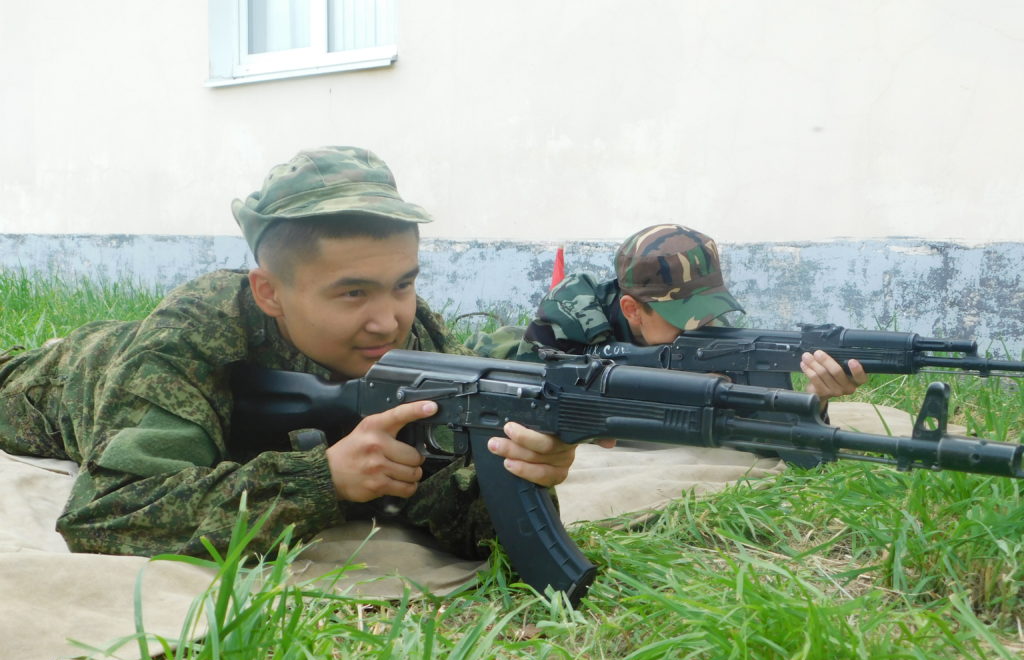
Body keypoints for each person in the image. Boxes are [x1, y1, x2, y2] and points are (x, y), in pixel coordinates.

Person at [0, 146, 577, 561]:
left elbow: (450, 502)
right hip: (58, 380)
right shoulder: (195, 333)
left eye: (403, 283)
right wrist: (319, 481)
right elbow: (108, 513)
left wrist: (522, 470)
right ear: (268, 292)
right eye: (353, 292)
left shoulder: (415, 338)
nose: (389, 319)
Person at [473, 223, 867, 407]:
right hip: (508, 355)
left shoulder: (708, 333)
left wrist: (813, 400)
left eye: (708, 312)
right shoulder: (571, 312)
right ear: (632, 309)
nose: (703, 326)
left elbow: (761, 421)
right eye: (685, 316)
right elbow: (541, 397)